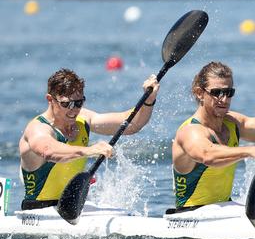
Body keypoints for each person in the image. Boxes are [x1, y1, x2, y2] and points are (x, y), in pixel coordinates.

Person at [171, 61, 255, 211]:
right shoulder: (190, 131)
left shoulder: (232, 122)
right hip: (190, 213)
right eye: (216, 93)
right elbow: (207, 155)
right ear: (199, 93)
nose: (223, 99)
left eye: (228, 93)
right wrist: (251, 151)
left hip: (223, 208)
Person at [19, 68, 160, 210]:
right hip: (39, 211)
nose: (74, 110)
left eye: (79, 103)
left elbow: (131, 124)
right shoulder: (38, 128)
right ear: (50, 99)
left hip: (73, 209)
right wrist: (90, 150)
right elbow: (49, 151)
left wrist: (149, 100)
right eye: (67, 104)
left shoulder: (83, 119)